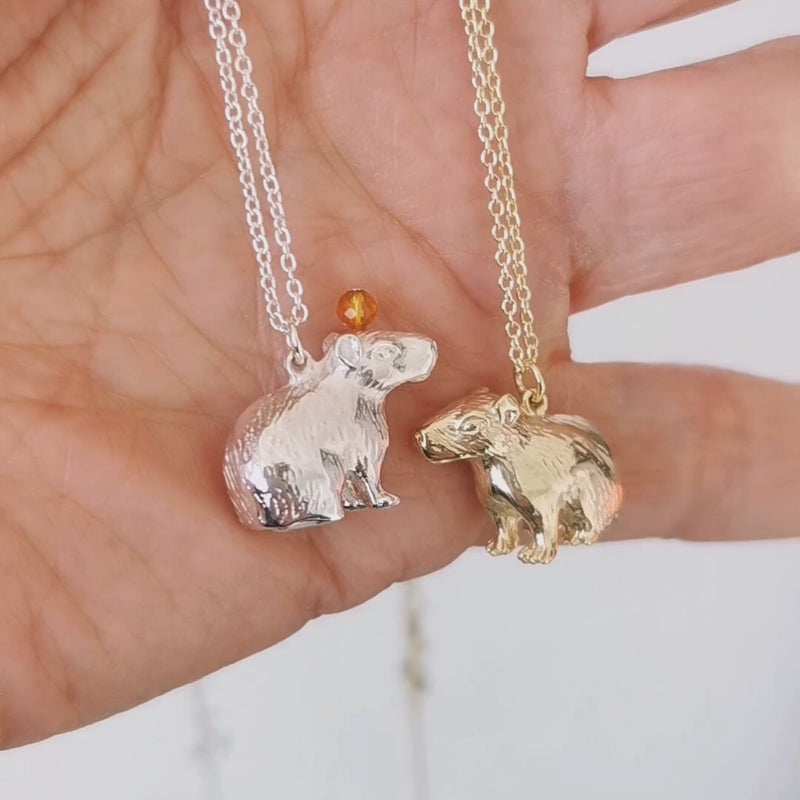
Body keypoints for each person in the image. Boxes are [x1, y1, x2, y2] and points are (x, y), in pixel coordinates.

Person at [1, 0, 798, 749]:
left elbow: (375, 445)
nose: (410, 369)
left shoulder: (381, 404)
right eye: (392, 359)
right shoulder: (337, 390)